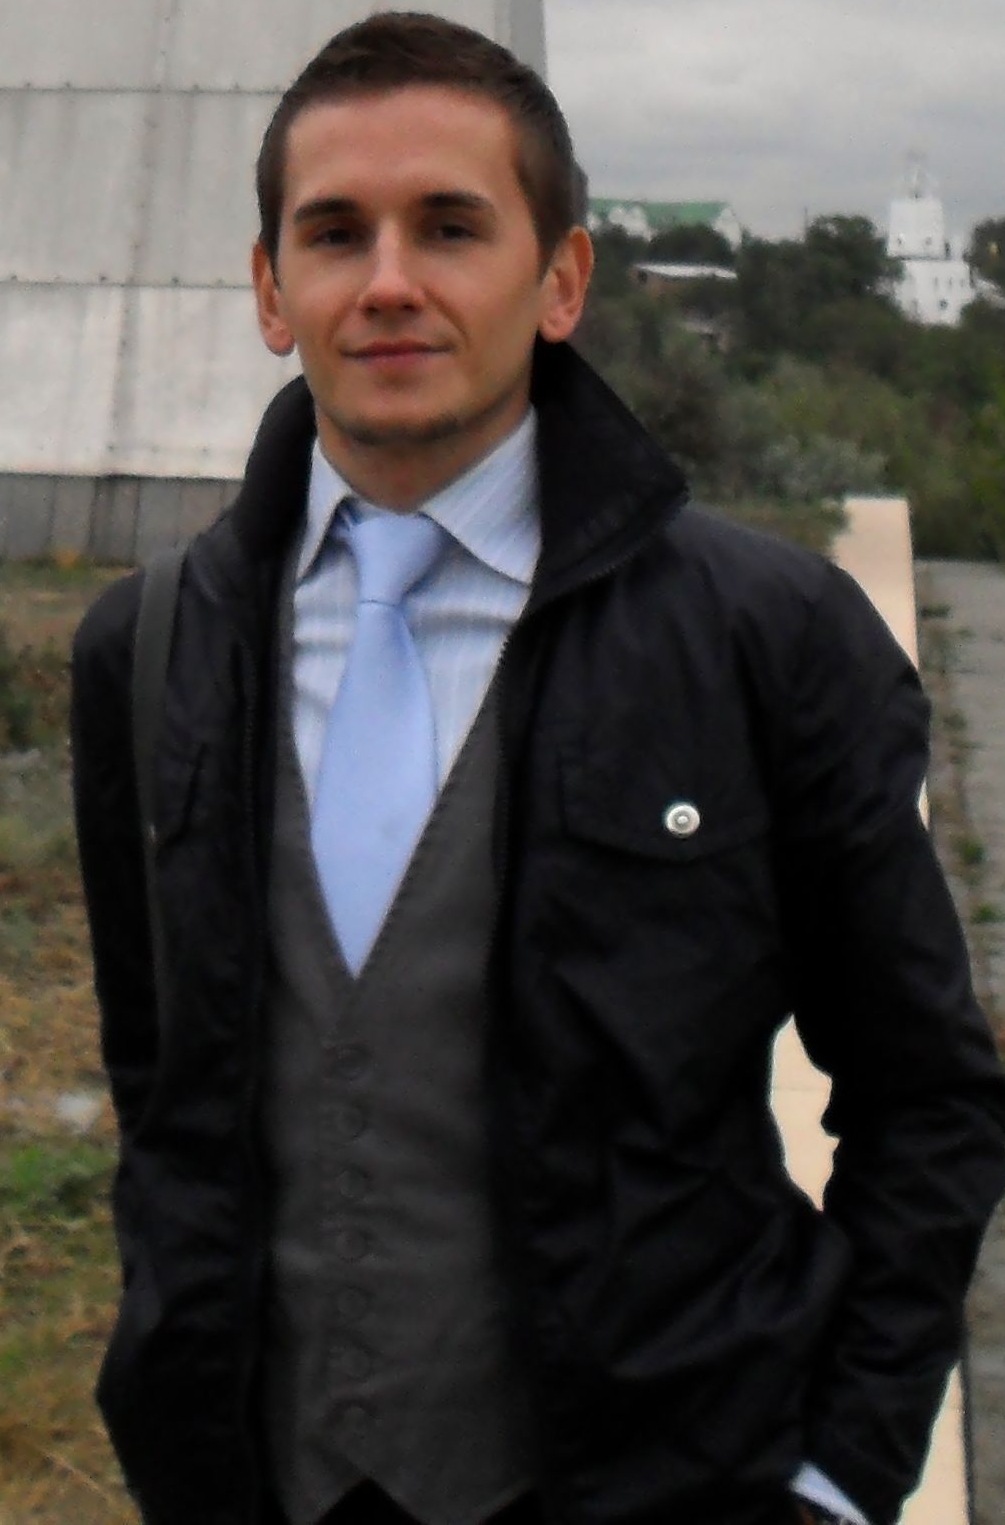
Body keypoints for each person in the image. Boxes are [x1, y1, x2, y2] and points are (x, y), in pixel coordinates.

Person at [70, 13, 1005, 1525]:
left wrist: (842, 1472)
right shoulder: (148, 647)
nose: (389, 281)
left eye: (450, 227)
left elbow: (928, 1099)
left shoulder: (763, 638)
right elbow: (160, 1086)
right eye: (335, 233)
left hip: (666, 1488)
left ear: (561, 280)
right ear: (270, 289)